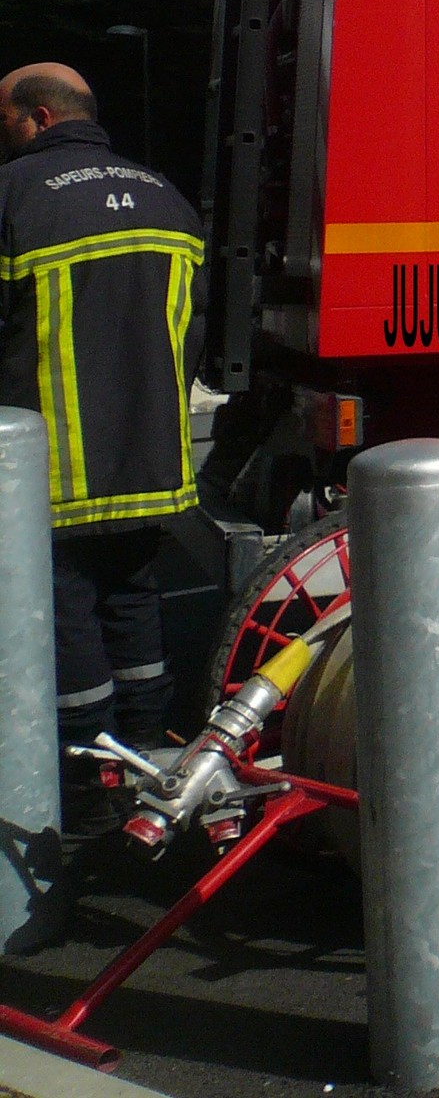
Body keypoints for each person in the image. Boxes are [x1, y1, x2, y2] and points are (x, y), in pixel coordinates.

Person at [0, 64, 204, 814]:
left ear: (41, 119)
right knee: (131, 593)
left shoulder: (15, 196)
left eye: (7, 122)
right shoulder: (165, 196)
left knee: (65, 603)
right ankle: (148, 749)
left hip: (52, 460)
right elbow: (196, 326)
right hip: (151, 450)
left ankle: (85, 775)